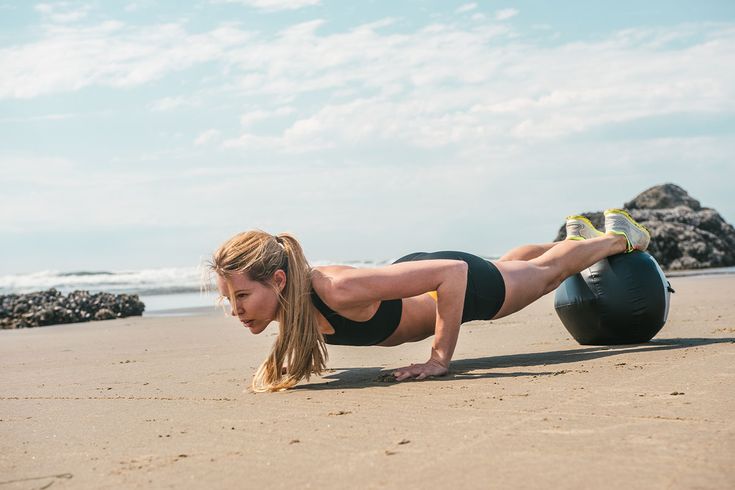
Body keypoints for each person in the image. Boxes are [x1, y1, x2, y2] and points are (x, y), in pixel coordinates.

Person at [208, 209, 650, 392]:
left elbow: (452, 273)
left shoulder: (334, 289)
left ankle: (618, 237)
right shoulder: (294, 304)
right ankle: (576, 239)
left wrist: (439, 359)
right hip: (417, 275)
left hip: (460, 284)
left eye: (242, 295)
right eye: (231, 298)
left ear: (279, 280)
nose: (237, 309)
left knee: (548, 275)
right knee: (514, 267)